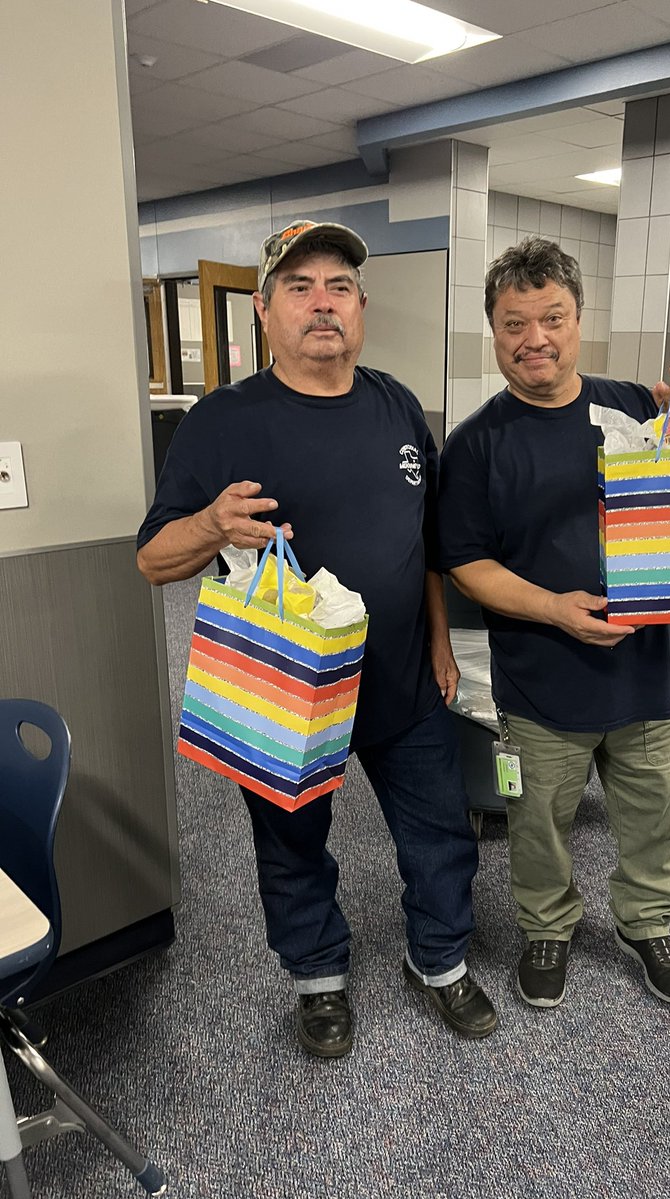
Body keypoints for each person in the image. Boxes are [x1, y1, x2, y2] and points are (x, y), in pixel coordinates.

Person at [137, 218, 497, 1058]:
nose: (322, 303)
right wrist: (211, 523)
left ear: (362, 306)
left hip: (403, 678)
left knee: (441, 833)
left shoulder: (397, 403)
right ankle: (318, 975)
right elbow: (154, 561)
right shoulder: (221, 422)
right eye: (299, 288)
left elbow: (429, 542)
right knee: (292, 844)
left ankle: (439, 960)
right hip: (285, 692)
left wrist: (441, 642)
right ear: (264, 312)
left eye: (338, 287)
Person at [438, 235, 670, 1010]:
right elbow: (467, 564)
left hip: (646, 671)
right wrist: (554, 608)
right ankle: (547, 926)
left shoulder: (637, 410)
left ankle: (647, 922)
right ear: (494, 331)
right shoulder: (475, 445)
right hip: (540, 682)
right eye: (515, 324)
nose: (536, 339)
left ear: (579, 318)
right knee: (539, 823)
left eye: (552, 318)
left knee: (653, 815)